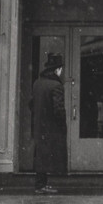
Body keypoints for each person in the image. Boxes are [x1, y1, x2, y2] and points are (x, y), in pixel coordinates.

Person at [31, 52, 66, 192]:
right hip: (51, 126)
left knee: (41, 154)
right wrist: (62, 124)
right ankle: (41, 186)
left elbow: (31, 104)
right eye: (61, 69)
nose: (61, 72)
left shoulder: (37, 83)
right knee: (48, 155)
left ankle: (41, 184)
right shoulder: (56, 86)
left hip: (40, 124)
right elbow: (58, 109)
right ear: (57, 69)